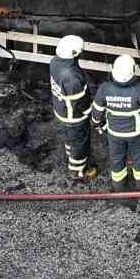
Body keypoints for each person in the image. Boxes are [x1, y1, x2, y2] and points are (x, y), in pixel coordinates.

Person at [91, 54, 140, 190]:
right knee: (139, 158)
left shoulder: (104, 89)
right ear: (133, 71)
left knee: (116, 158)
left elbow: (96, 113)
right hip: (137, 134)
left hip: (114, 134)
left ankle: (118, 186)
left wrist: (98, 125)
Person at [48, 35, 98, 181]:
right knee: (79, 142)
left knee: (70, 140)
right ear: (75, 53)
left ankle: (73, 158)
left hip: (60, 108)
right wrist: (93, 115)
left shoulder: (55, 62)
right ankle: (78, 171)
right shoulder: (71, 77)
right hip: (74, 116)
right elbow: (80, 103)